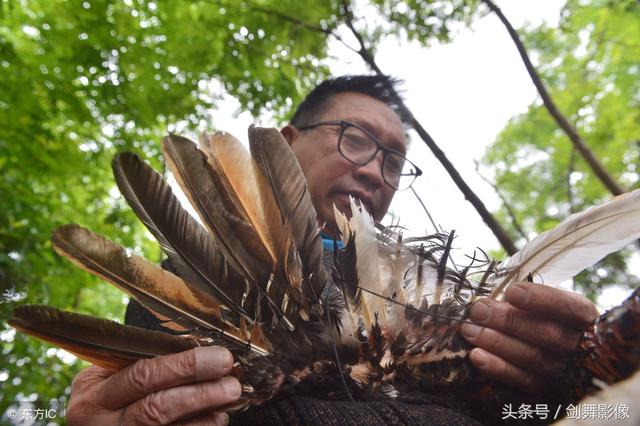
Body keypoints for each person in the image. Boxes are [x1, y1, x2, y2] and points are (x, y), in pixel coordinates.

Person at [66, 75, 598, 425]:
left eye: (394, 161)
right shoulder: (197, 279)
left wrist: (574, 388)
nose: (374, 170)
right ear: (289, 140)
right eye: (356, 137)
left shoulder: (453, 295)